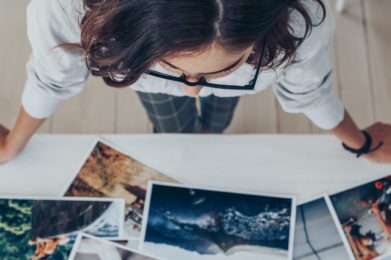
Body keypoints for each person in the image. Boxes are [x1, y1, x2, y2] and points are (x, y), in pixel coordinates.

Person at [0, 0, 391, 164]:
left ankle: (211, 129)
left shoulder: (304, 17)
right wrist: (12, 145)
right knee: (169, 123)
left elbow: (307, 89)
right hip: (151, 93)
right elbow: (53, 79)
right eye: (171, 65)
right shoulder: (66, 7)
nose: (192, 88)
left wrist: (363, 142)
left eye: (225, 68)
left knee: (219, 113)